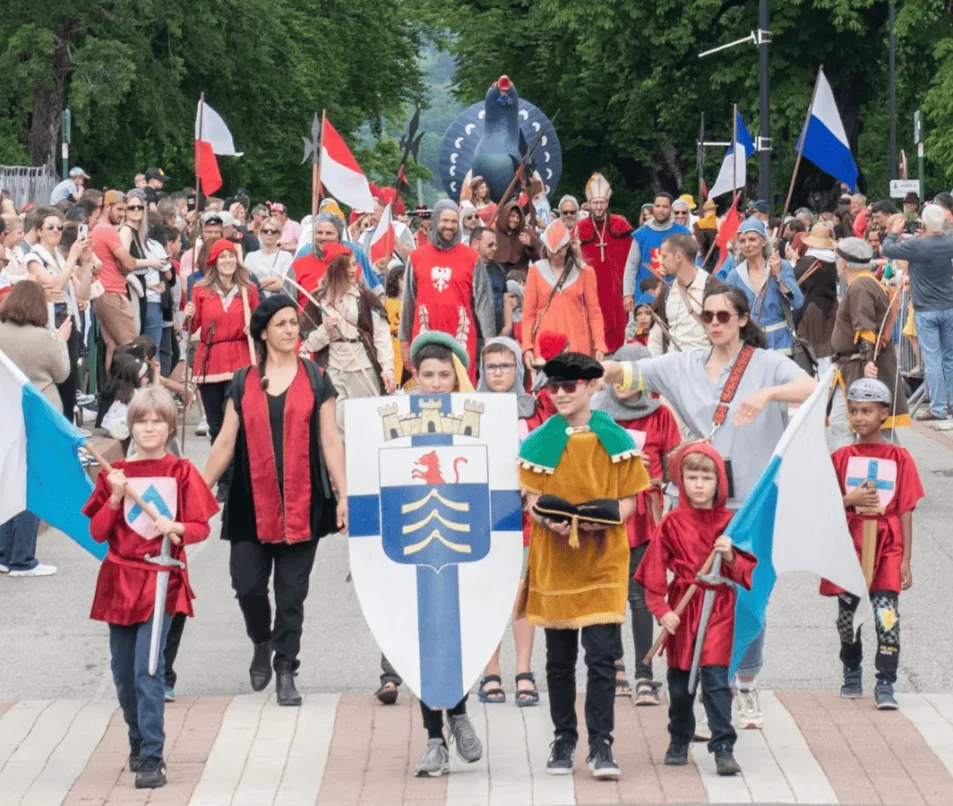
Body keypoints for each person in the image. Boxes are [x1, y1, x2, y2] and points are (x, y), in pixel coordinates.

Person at [601, 283, 816, 729]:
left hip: (753, 503)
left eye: (723, 316)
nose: (714, 324)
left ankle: (746, 682)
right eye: (707, 316)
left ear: (742, 319)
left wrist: (768, 395)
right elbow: (628, 373)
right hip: (699, 502)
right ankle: (707, 695)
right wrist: (593, 369)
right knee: (696, 594)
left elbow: (811, 387)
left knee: (747, 597)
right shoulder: (683, 365)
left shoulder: (766, 362)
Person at [203, 295, 346, 705]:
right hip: (249, 502)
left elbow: (331, 441)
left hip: (305, 501)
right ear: (263, 333)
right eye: (280, 324)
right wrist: (195, 491)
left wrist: (343, 494)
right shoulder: (243, 381)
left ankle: (286, 668)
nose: (289, 330)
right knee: (247, 586)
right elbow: (225, 443)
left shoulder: (317, 379)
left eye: (293, 323)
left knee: (291, 594)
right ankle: (260, 640)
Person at [518, 352, 648, 778]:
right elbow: (531, 500)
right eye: (553, 386)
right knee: (559, 660)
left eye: (568, 386)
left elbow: (630, 499)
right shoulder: (538, 440)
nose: (559, 394)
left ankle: (601, 743)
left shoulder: (617, 439)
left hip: (603, 558)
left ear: (593, 386)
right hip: (556, 560)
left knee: (601, 658)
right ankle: (563, 739)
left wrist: (608, 517)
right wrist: (547, 520)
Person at [82, 386, 218, 789]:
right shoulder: (116, 473)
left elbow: (201, 527)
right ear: (131, 426)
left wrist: (176, 526)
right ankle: (137, 737)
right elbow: (97, 533)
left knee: (149, 668)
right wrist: (114, 497)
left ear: (170, 426)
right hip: (120, 579)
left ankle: (153, 755)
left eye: (158, 421)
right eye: (142, 421)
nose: (149, 428)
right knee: (123, 674)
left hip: (161, 581)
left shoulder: (181, 472)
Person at [636, 444, 756, 776]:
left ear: (720, 482)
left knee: (716, 679)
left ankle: (723, 746)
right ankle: (679, 739)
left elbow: (745, 572)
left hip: (718, 607)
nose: (699, 485)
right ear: (681, 480)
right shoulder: (672, 523)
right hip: (683, 606)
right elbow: (652, 573)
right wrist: (662, 610)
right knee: (679, 682)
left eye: (707, 478)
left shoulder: (731, 524)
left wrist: (729, 555)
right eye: (692, 478)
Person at [406, 331, 483, 776]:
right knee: (422, 638)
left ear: (456, 378)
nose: (436, 383)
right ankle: (434, 736)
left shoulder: (474, 414)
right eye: (428, 375)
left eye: (443, 376)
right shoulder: (394, 414)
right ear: (416, 376)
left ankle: (459, 711)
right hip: (414, 541)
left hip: (461, 537)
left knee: (459, 633)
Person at [820, 378, 923, 709]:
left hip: (887, 544)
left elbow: (905, 510)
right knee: (847, 616)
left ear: (883, 414)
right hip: (850, 543)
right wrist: (849, 499)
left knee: (886, 614)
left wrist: (906, 560)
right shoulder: (841, 457)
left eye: (866, 411)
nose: (859, 418)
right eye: (853, 411)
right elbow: (823, 504)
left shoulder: (900, 457)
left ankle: (885, 681)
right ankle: (851, 670)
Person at [593, 343, 681, 705]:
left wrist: (655, 474)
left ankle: (644, 673)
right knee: (611, 592)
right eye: (615, 373)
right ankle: (616, 670)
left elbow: (675, 468)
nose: (619, 382)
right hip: (608, 512)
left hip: (647, 515)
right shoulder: (596, 415)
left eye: (627, 375)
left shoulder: (661, 416)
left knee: (641, 594)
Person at [475, 337, 541, 706]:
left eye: (505, 365)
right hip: (485, 514)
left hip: (525, 516)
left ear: (517, 368)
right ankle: (490, 672)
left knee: (521, 593)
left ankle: (524, 670)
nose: (498, 373)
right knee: (489, 594)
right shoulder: (471, 411)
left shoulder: (533, 412)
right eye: (491, 367)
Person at [0, 281, 71, 577]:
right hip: (40, 415)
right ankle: (22, 558)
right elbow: (62, 373)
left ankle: (4, 553)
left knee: (8, 483)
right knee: (34, 487)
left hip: (7, 412)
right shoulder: (44, 337)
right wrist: (61, 340)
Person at [184, 240, 260, 500]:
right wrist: (188, 315)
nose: (228, 261)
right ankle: (225, 480)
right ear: (214, 262)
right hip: (210, 360)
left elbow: (261, 322)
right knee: (216, 424)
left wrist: (255, 327)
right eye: (222, 257)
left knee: (236, 422)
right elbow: (192, 327)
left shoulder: (248, 289)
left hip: (240, 359)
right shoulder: (200, 290)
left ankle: (238, 479)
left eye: (231, 256)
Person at [398, 199, 496, 384]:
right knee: (430, 389)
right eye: (445, 220)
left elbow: (484, 303)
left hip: (461, 337)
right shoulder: (417, 257)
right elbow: (408, 301)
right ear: (436, 220)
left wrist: (489, 341)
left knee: (462, 390)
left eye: (453, 221)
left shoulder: (471, 258)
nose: (449, 226)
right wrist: (404, 341)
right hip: (425, 337)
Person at [301, 244, 395, 435]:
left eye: (354, 264)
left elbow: (381, 336)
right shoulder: (318, 299)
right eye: (347, 266)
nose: (353, 270)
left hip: (363, 366)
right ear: (335, 269)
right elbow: (309, 343)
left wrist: (388, 369)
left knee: (365, 422)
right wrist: (325, 330)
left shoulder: (366, 297)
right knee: (336, 423)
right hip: (333, 367)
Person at [829, 237, 910, 445]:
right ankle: (852, 461)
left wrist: (867, 362)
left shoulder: (860, 286)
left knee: (874, 427)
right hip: (854, 364)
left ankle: (886, 463)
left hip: (861, 364)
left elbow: (864, 327)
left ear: (843, 263)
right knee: (854, 424)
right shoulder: (866, 282)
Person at [881, 206, 953, 420]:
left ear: (924, 223)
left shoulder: (917, 245)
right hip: (948, 306)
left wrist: (894, 231)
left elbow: (888, 249)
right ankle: (951, 402)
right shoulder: (949, 242)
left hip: (925, 309)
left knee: (932, 359)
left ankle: (938, 407)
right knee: (949, 358)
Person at [24, 207, 93, 424]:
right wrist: (72, 258)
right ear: (39, 231)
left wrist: (87, 263)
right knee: (56, 381)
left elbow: (83, 293)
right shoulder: (34, 257)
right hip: (47, 326)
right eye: (50, 226)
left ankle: (67, 428)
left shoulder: (61, 261)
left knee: (69, 384)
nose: (56, 230)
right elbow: (55, 285)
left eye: (60, 227)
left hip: (68, 323)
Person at [521, 219, 606, 366]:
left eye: (559, 251)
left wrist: (599, 344)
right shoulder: (535, 270)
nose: (555, 255)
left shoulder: (585, 271)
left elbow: (594, 312)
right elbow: (528, 313)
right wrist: (527, 347)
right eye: (551, 251)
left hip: (577, 342)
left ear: (567, 246)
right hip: (545, 344)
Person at [92, 191, 162, 370]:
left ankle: (112, 386)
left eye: (125, 209)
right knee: (132, 346)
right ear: (107, 207)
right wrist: (149, 263)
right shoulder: (108, 230)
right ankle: (129, 386)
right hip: (112, 293)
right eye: (120, 209)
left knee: (113, 346)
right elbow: (128, 263)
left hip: (103, 293)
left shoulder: (99, 229)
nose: (123, 214)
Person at [573, 174, 633, 353]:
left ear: (607, 203)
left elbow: (632, 257)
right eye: (595, 203)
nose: (599, 207)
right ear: (589, 204)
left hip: (615, 286)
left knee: (617, 321)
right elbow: (571, 258)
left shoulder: (620, 224)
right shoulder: (579, 227)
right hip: (591, 285)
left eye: (602, 203)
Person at [724, 217, 803, 354]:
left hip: (781, 344)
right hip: (750, 345)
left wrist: (778, 275)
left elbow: (798, 302)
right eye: (742, 241)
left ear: (764, 241)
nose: (747, 245)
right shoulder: (734, 276)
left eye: (752, 239)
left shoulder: (780, 266)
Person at [649, 233, 714, 356]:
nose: (661, 261)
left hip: (703, 363)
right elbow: (656, 339)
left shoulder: (713, 288)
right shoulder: (666, 292)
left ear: (678, 257)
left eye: (664, 256)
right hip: (671, 364)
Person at [624, 192, 692, 309]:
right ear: (653, 208)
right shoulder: (641, 234)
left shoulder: (683, 233)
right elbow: (632, 265)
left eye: (665, 206)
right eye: (658, 206)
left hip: (675, 294)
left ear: (671, 209)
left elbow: (690, 264)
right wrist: (627, 293)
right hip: (645, 295)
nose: (661, 210)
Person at [793, 225, 839, 376]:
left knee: (813, 351)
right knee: (828, 351)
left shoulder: (808, 261)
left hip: (812, 308)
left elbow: (795, 283)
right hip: (832, 307)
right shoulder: (833, 260)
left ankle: (817, 382)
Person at [244, 216, 294, 298]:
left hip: (277, 301)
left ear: (279, 234)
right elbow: (246, 284)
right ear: (261, 233)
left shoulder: (286, 257)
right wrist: (273, 279)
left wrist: (256, 283)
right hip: (255, 300)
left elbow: (285, 286)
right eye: (265, 231)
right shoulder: (250, 257)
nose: (269, 233)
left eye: (273, 231)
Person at [469, 227, 507, 333]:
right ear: (475, 244)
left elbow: (505, 300)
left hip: (496, 331)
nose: (494, 248)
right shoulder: (464, 269)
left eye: (496, 245)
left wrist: (507, 327)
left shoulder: (499, 269)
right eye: (490, 245)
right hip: (471, 330)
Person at [493, 200, 541, 274]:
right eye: (512, 216)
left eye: (518, 217)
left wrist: (531, 244)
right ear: (505, 216)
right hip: (497, 273)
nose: (515, 220)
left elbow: (539, 260)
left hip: (518, 274)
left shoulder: (526, 233)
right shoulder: (494, 232)